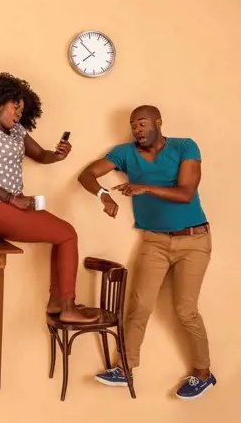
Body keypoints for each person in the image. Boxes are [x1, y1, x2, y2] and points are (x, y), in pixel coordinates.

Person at [78, 105, 216, 400]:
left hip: (194, 240)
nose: (137, 130)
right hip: (154, 241)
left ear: (158, 123)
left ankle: (204, 373)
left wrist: (145, 188)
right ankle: (124, 367)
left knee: (186, 310)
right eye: (133, 125)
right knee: (139, 306)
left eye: (142, 123)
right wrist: (103, 195)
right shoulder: (124, 153)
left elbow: (186, 193)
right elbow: (87, 175)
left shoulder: (185, 146)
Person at [0, 72, 98, 324]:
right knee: (68, 234)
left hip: (13, 206)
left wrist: (58, 155)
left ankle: (56, 301)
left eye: (22, 109)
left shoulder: (17, 131)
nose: (18, 113)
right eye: (14, 107)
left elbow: (40, 155)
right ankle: (68, 306)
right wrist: (11, 199)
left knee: (62, 235)